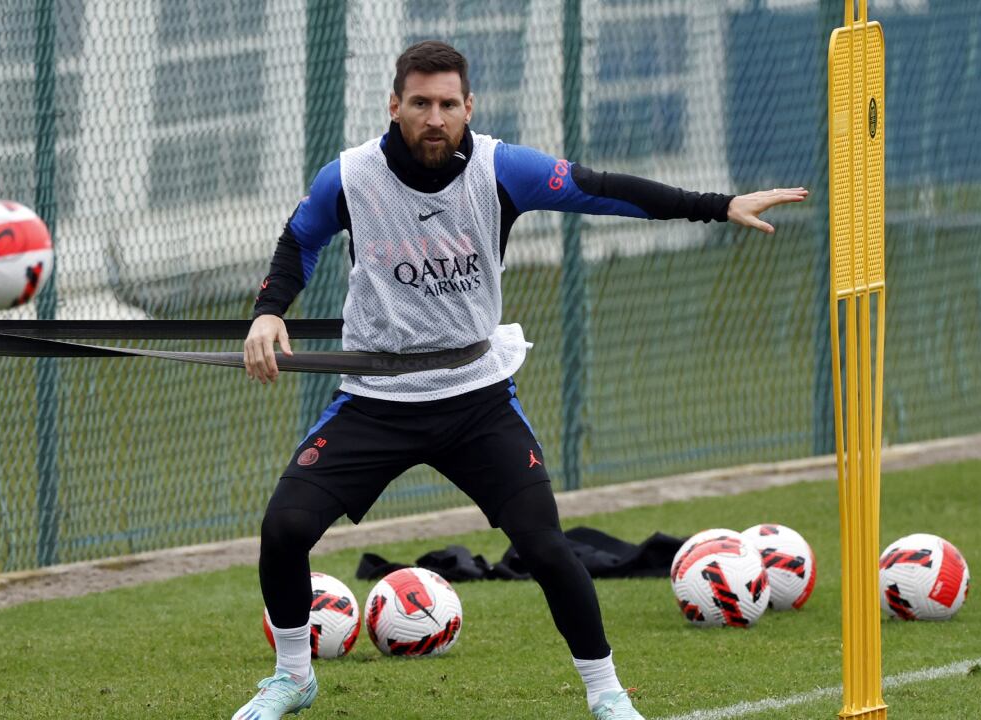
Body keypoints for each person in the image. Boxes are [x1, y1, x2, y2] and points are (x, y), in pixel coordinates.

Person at [236, 40, 807, 720]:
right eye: (420, 104)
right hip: (377, 400)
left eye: (449, 104)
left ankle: (607, 694)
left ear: (469, 107)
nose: (435, 118)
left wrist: (719, 204)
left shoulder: (501, 168)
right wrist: (268, 314)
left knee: (544, 545)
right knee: (284, 528)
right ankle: (294, 679)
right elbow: (299, 239)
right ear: (395, 106)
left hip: (476, 397)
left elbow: (604, 189)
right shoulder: (351, 176)